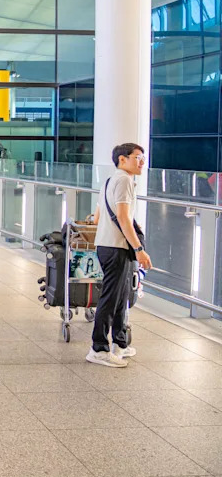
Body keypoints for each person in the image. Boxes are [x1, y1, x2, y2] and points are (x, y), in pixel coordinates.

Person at [85, 143, 153, 368]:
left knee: (121, 295)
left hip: (107, 245)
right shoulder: (124, 180)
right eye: (137, 157)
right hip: (117, 247)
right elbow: (123, 218)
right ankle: (98, 348)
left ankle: (120, 344)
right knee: (112, 298)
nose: (142, 161)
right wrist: (139, 249)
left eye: (143, 157)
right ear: (122, 160)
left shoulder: (108, 181)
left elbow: (96, 219)